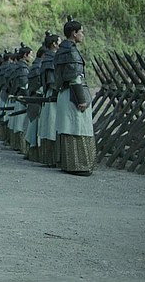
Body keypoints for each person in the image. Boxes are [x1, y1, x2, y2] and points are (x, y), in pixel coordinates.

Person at [53, 16, 96, 176]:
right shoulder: (71, 52)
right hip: (73, 96)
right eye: (81, 32)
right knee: (78, 129)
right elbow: (75, 77)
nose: (82, 35)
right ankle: (79, 166)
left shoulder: (61, 51)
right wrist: (82, 100)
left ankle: (69, 164)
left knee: (69, 129)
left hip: (65, 95)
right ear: (74, 33)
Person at [37, 31, 61, 166]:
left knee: (50, 127)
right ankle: (51, 159)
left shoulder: (48, 58)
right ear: (54, 44)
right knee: (51, 127)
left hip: (50, 96)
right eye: (59, 42)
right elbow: (52, 82)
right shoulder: (51, 59)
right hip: (52, 95)